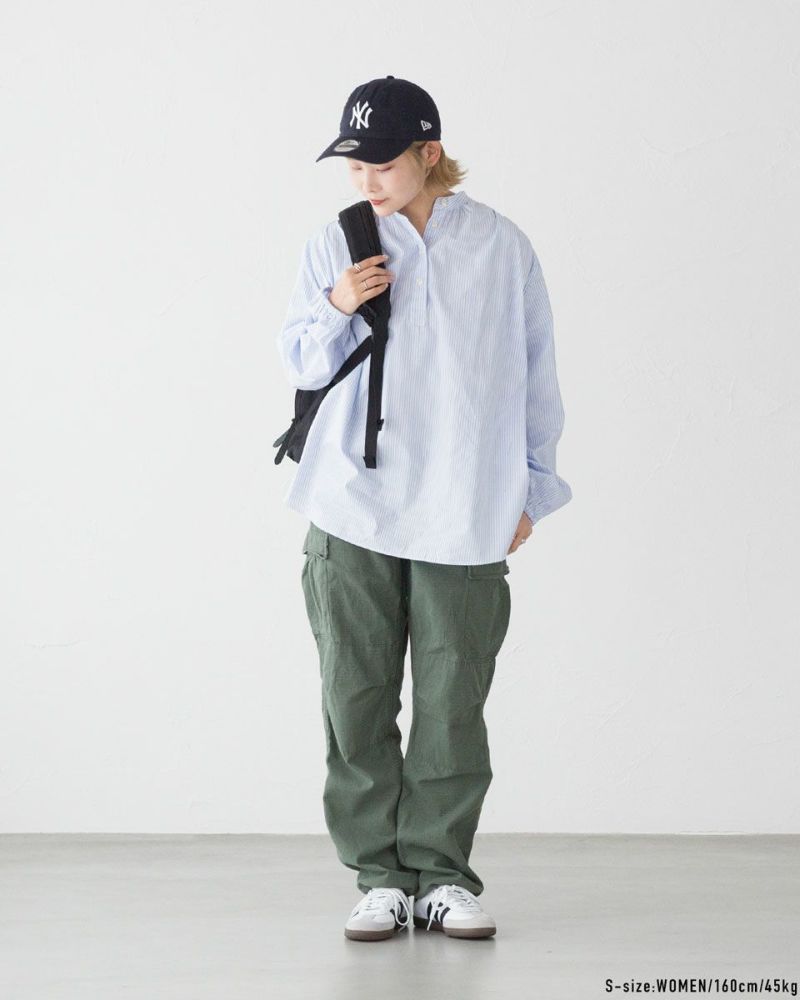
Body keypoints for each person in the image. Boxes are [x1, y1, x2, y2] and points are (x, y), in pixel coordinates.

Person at [275, 75, 572, 942]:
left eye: (380, 161)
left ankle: (441, 876)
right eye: (353, 164)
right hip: (351, 504)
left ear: (428, 151)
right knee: (355, 696)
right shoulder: (337, 243)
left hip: (465, 504)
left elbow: (536, 371)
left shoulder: (501, 246)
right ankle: (379, 877)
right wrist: (339, 303)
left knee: (451, 702)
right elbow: (297, 362)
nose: (365, 179)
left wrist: (534, 487)